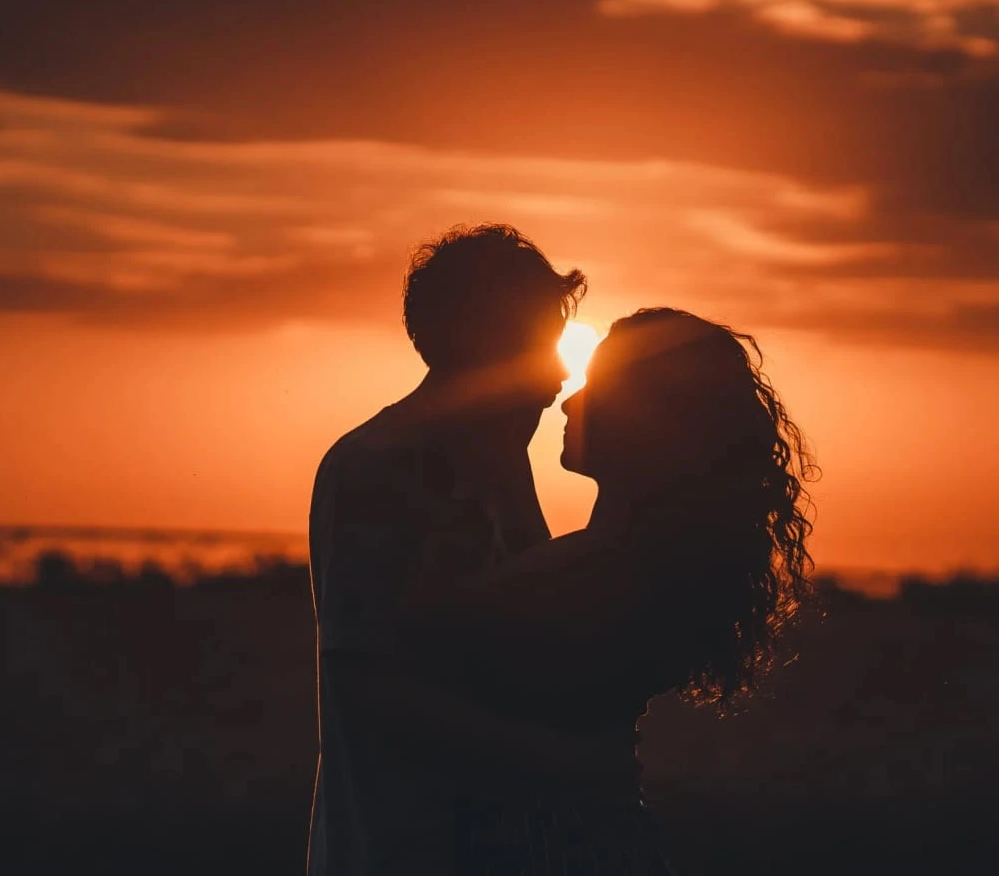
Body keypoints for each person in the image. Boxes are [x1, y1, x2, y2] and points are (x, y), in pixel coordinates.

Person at [399, 307, 817, 873]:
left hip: (555, 845)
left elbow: (416, 637)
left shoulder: (595, 571)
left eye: (594, 387)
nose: (568, 403)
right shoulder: (642, 561)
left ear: (640, 419)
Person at [306, 224, 636, 876]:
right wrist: (560, 756)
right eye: (537, 343)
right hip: (400, 848)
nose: (559, 373)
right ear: (474, 339)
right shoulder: (376, 465)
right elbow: (366, 686)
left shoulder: (493, 462)